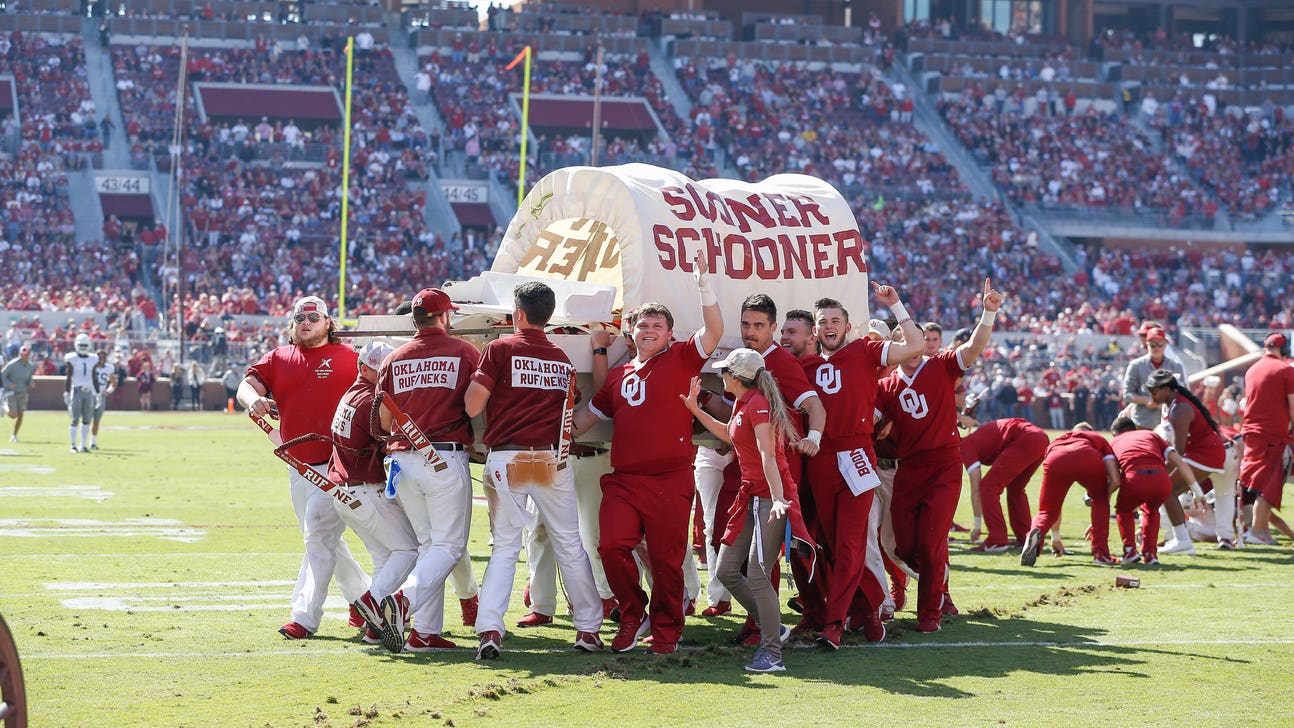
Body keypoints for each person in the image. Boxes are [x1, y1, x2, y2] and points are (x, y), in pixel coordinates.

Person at [571, 253, 721, 654]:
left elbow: (715, 329)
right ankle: (633, 610)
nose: (649, 330)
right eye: (643, 324)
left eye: (658, 325)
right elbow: (584, 419)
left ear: (670, 334)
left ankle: (668, 627)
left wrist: (704, 285)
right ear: (632, 331)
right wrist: (541, 428)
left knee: (667, 559)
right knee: (610, 546)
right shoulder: (619, 376)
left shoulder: (683, 357)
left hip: (670, 478)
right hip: (625, 479)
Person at [464, 282, 604, 659]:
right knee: (569, 543)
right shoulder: (560, 357)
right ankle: (589, 628)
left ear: (518, 314)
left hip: (508, 458)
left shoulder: (499, 348)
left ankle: (491, 628)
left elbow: (473, 407)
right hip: (547, 459)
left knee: (506, 548)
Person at [238, 295, 372, 639]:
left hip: (338, 463)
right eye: (300, 317)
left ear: (328, 322)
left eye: (314, 316)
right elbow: (246, 386)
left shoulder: (350, 358)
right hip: (296, 463)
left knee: (318, 536)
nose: (306, 321)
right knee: (321, 538)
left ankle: (304, 616)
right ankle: (363, 599)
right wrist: (255, 402)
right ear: (291, 324)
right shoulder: (279, 357)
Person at [799, 286, 923, 649]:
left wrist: (896, 305)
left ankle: (834, 624)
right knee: (832, 545)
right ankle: (867, 610)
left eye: (836, 320)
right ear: (816, 330)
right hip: (819, 458)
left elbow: (913, 346)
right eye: (823, 322)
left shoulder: (863, 350)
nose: (829, 326)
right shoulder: (804, 364)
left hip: (856, 454)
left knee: (852, 543)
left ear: (848, 326)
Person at [878, 278, 1003, 632]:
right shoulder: (885, 385)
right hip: (909, 467)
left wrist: (988, 314)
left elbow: (975, 348)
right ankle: (934, 578)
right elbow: (869, 419)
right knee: (901, 543)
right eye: (904, 341)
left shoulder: (942, 366)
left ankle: (930, 612)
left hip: (944, 465)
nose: (911, 346)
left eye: (915, 340)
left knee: (933, 543)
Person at [375, 288, 481, 652]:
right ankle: (404, 602)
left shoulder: (395, 358)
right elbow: (476, 404)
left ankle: (426, 632)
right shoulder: (464, 351)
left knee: (428, 546)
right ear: (445, 316)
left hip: (402, 459)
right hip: (443, 456)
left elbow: (385, 418)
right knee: (450, 546)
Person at [682, 349, 801, 672]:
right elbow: (728, 435)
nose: (721, 376)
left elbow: (768, 456)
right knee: (726, 570)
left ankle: (772, 652)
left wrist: (777, 498)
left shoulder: (757, 405)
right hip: (752, 496)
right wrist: (696, 409)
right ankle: (773, 628)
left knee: (758, 575)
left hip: (765, 497)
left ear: (735, 377)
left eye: (724, 372)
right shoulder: (745, 402)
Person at [331, 341, 422, 650]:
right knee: (409, 551)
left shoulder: (351, 393)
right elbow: (388, 439)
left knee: (386, 555)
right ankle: (372, 601)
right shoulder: (371, 399)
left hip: (345, 491)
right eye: (383, 370)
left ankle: (376, 628)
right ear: (366, 368)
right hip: (365, 490)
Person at [1146, 368, 1229, 552]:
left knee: (1166, 489)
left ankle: (1182, 540)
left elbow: (1179, 453)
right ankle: (1179, 538)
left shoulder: (1179, 409)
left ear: (1167, 389)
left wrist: (1158, 474)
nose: (1152, 396)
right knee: (1167, 488)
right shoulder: (1176, 405)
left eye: (1154, 392)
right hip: (1205, 452)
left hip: (1205, 453)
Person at [1020, 423, 1122, 565]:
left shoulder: (1059, 439)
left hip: (1055, 457)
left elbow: (1054, 506)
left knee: (1047, 510)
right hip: (1087, 455)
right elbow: (1116, 480)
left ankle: (1035, 532)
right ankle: (1101, 555)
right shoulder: (1096, 438)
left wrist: (1056, 537)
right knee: (1100, 500)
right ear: (1090, 432)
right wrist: (1099, 497)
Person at [1109, 416, 1201, 564]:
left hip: (1135, 477)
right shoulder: (1151, 435)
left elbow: (1113, 478)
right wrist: (1197, 491)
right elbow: (1179, 462)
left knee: (1124, 510)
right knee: (1152, 511)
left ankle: (1130, 551)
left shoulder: (1114, 442)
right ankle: (1150, 554)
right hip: (1161, 479)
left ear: (1118, 432)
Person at [959, 418, 1049, 551]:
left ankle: (997, 540)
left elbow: (976, 486)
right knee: (1015, 488)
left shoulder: (964, 446)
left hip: (1026, 438)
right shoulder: (973, 440)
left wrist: (977, 526)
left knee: (987, 488)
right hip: (1040, 438)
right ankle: (1025, 537)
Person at [1239, 333, 1294, 545]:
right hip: (1273, 436)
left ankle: (1259, 530)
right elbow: (1293, 408)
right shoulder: (1286, 371)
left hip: (1251, 434)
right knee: (1270, 484)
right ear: (1285, 349)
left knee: (1254, 482)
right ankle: (1257, 532)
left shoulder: (1251, 370)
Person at [1121, 326, 1185, 430]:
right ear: (1146, 344)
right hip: (1141, 423)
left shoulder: (1176, 366)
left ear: (1165, 344)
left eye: (1159, 344)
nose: (1156, 348)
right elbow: (1127, 395)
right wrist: (1146, 400)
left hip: (1169, 425)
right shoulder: (1135, 365)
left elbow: (1183, 393)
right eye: (1152, 344)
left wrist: (1165, 402)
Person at [65, 333, 100, 453]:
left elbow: (94, 377)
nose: (83, 347)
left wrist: (98, 393)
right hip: (77, 390)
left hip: (89, 391)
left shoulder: (93, 358)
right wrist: (66, 392)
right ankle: (73, 445)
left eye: (85, 345)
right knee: (75, 419)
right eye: (81, 345)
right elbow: (69, 377)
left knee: (87, 420)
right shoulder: (72, 358)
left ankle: (83, 445)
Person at [2, 344, 35, 442]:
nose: (24, 356)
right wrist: (8, 384)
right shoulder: (12, 364)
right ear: (20, 354)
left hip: (23, 392)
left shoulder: (30, 366)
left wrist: (31, 383)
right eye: (23, 354)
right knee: (13, 415)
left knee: (21, 415)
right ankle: (3, 407)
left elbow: (29, 378)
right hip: (11, 392)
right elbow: (3, 375)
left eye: (26, 355)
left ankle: (14, 435)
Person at [90, 349, 118, 451]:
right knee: (86, 420)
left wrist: (108, 391)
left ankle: (92, 442)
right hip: (90, 395)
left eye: (103, 357)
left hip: (100, 397)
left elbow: (113, 382)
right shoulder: (91, 367)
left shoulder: (109, 368)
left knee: (96, 421)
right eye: (99, 357)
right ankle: (83, 442)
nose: (101, 359)